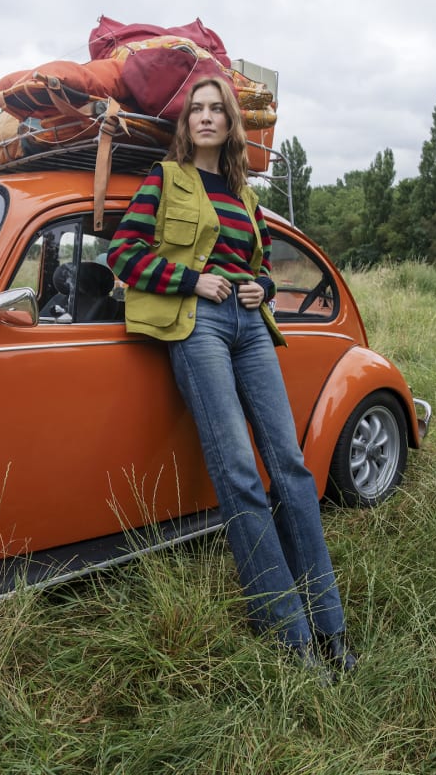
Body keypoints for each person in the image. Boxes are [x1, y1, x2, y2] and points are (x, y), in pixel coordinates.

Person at [107, 77, 356, 677]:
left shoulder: (244, 196)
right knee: (240, 472)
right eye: (197, 109)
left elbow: (265, 265)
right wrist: (193, 281)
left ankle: (332, 625)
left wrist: (260, 286)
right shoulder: (165, 181)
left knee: (292, 469)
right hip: (197, 326)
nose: (207, 117)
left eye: (218, 109)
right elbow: (122, 253)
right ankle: (288, 632)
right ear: (185, 122)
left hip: (248, 324)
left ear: (231, 125)